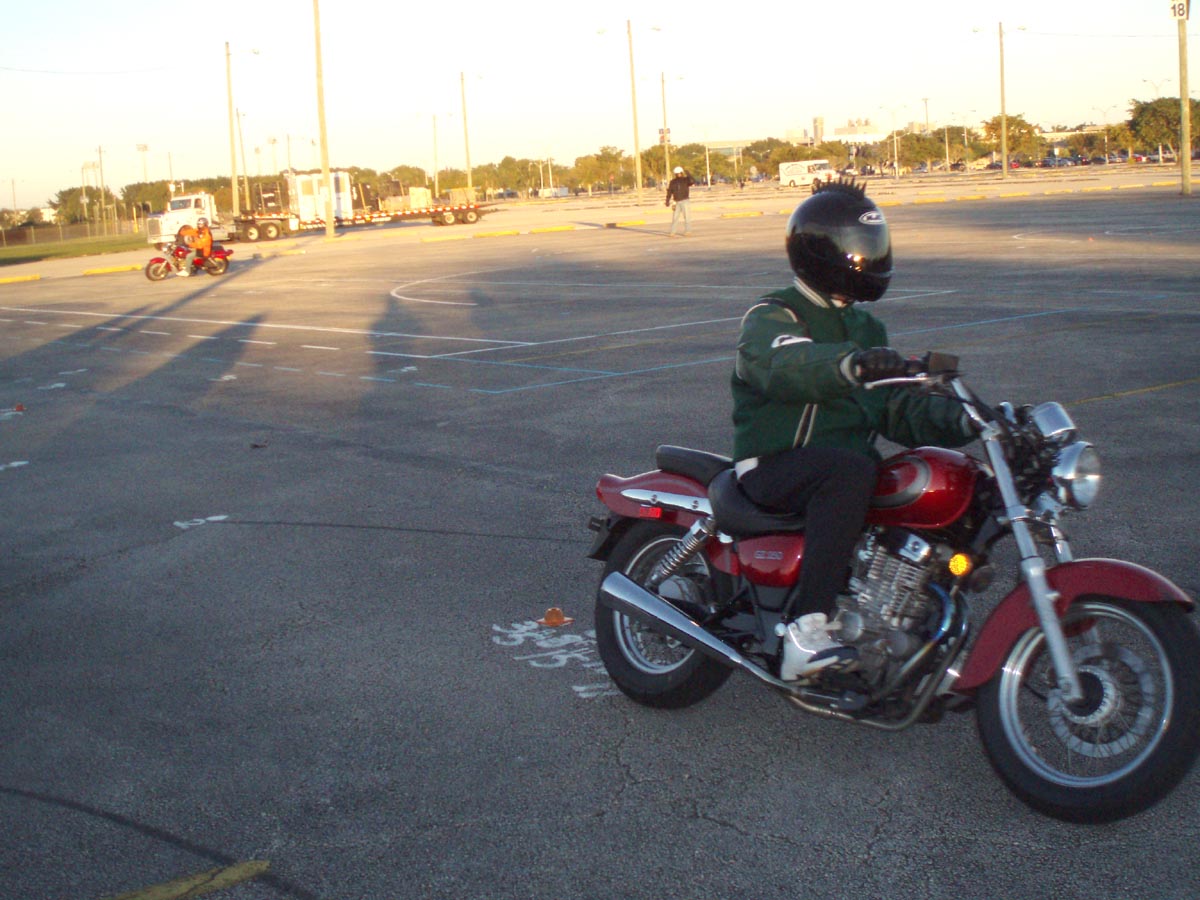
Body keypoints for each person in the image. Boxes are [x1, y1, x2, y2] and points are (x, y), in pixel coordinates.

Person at [729, 178, 974, 681]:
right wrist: (850, 365)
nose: (869, 255)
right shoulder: (774, 313)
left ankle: (910, 623)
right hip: (774, 467)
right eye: (858, 246)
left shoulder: (867, 329)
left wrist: (971, 419)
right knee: (849, 471)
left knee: (937, 479)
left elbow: (896, 409)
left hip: (841, 469)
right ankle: (806, 632)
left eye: (873, 243)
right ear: (819, 251)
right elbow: (783, 365)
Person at [664, 166, 695, 236]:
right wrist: (667, 200)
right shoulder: (673, 182)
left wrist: (688, 173)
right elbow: (669, 192)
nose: (678, 174)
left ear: (682, 173)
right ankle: (673, 232)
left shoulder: (686, 180)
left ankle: (688, 231)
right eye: (677, 173)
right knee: (675, 218)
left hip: (685, 201)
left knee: (687, 217)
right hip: (676, 202)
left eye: (679, 173)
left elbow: (693, 181)